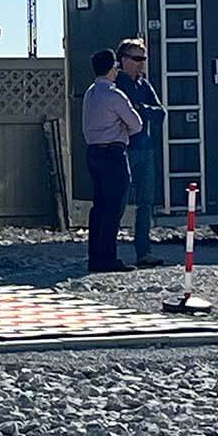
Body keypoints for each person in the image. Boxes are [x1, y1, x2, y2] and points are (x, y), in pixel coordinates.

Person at [82, 49, 142, 272]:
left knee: (99, 207)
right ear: (111, 68)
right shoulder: (114, 95)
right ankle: (108, 258)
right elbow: (136, 124)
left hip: (93, 152)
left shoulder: (90, 93)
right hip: (113, 153)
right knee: (114, 206)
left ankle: (95, 257)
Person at [115, 38, 166, 268]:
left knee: (145, 202)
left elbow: (160, 113)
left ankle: (143, 252)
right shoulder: (116, 84)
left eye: (143, 59)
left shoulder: (144, 85)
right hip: (123, 149)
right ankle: (109, 251)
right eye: (137, 59)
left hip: (145, 149)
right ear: (124, 60)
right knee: (118, 201)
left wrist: (141, 110)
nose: (141, 63)